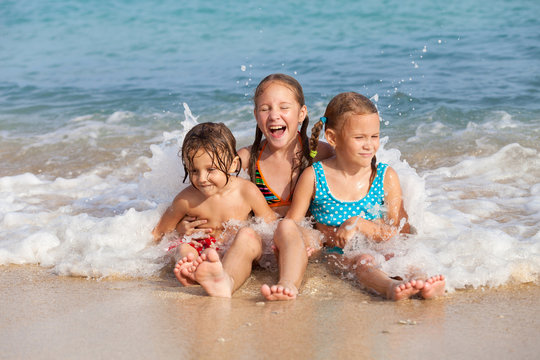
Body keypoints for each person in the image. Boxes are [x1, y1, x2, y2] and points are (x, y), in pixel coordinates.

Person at [176, 74, 334, 301]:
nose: (274, 115)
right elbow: (210, 185)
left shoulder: (320, 153)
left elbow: (353, 179)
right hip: (264, 243)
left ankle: (287, 284)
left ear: (301, 113)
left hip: (302, 242)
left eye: (284, 107)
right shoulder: (247, 158)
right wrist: (186, 221)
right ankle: (225, 282)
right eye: (265, 108)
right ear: (256, 115)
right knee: (246, 234)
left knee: (288, 227)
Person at [284, 92, 446, 300]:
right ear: (333, 138)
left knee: (406, 257)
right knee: (363, 260)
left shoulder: (385, 176)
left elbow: (398, 232)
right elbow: (294, 224)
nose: (369, 145)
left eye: (374, 136)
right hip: (340, 255)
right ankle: (389, 287)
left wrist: (359, 224)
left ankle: (424, 283)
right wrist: (313, 240)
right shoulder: (315, 176)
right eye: (359, 138)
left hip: (382, 245)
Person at [152, 122, 276, 298]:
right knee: (184, 247)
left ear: (233, 165)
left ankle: (226, 280)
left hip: (235, 252)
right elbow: (159, 232)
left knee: (247, 235)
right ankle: (190, 270)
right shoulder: (186, 200)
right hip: (203, 251)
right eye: (194, 170)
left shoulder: (246, 192)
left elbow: (270, 225)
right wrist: (180, 229)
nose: (202, 179)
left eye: (210, 169)